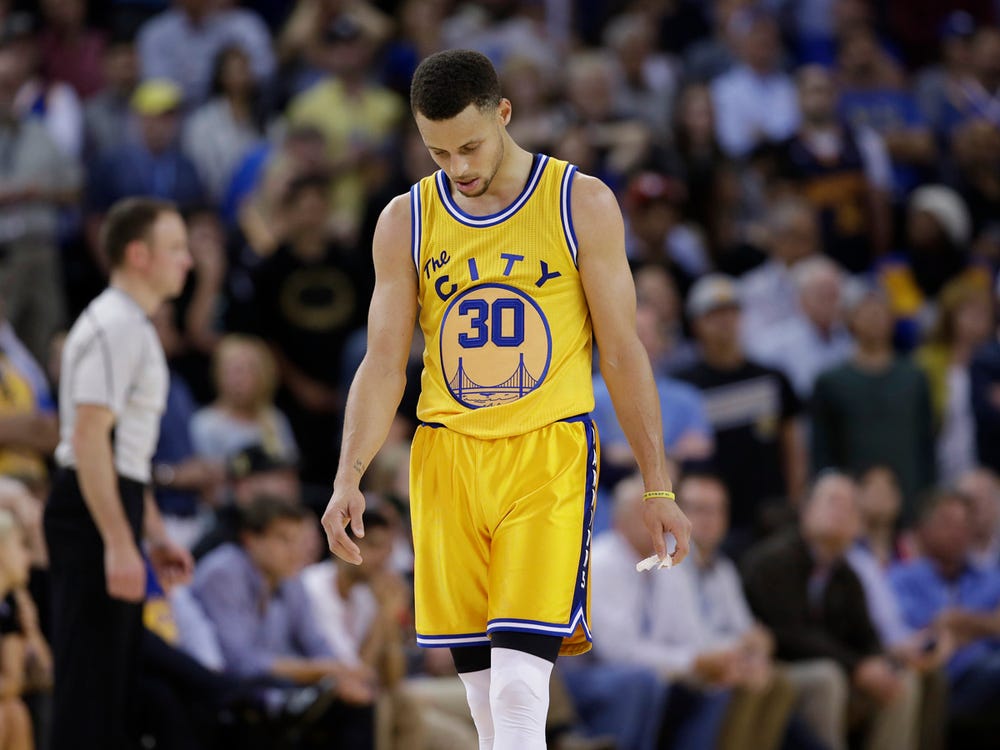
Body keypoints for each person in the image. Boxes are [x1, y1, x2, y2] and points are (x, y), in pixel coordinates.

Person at [321, 49, 691, 750]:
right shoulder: (405, 219)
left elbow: (622, 354)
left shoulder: (580, 202)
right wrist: (349, 476)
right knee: (485, 699)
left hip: (546, 454)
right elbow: (383, 363)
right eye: (437, 152)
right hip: (446, 460)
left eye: (469, 147)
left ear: (505, 115)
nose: (456, 167)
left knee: (521, 688)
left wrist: (657, 485)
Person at [42, 197, 195, 750]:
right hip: (90, 512)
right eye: (175, 248)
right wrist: (117, 541)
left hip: (111, 501)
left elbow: (123, 454)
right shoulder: (115, 325)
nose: (188, 261)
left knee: (114, 690)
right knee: (88, 691)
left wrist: (150, 533)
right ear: (138, 255)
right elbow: (88, 439)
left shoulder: (132, 325)